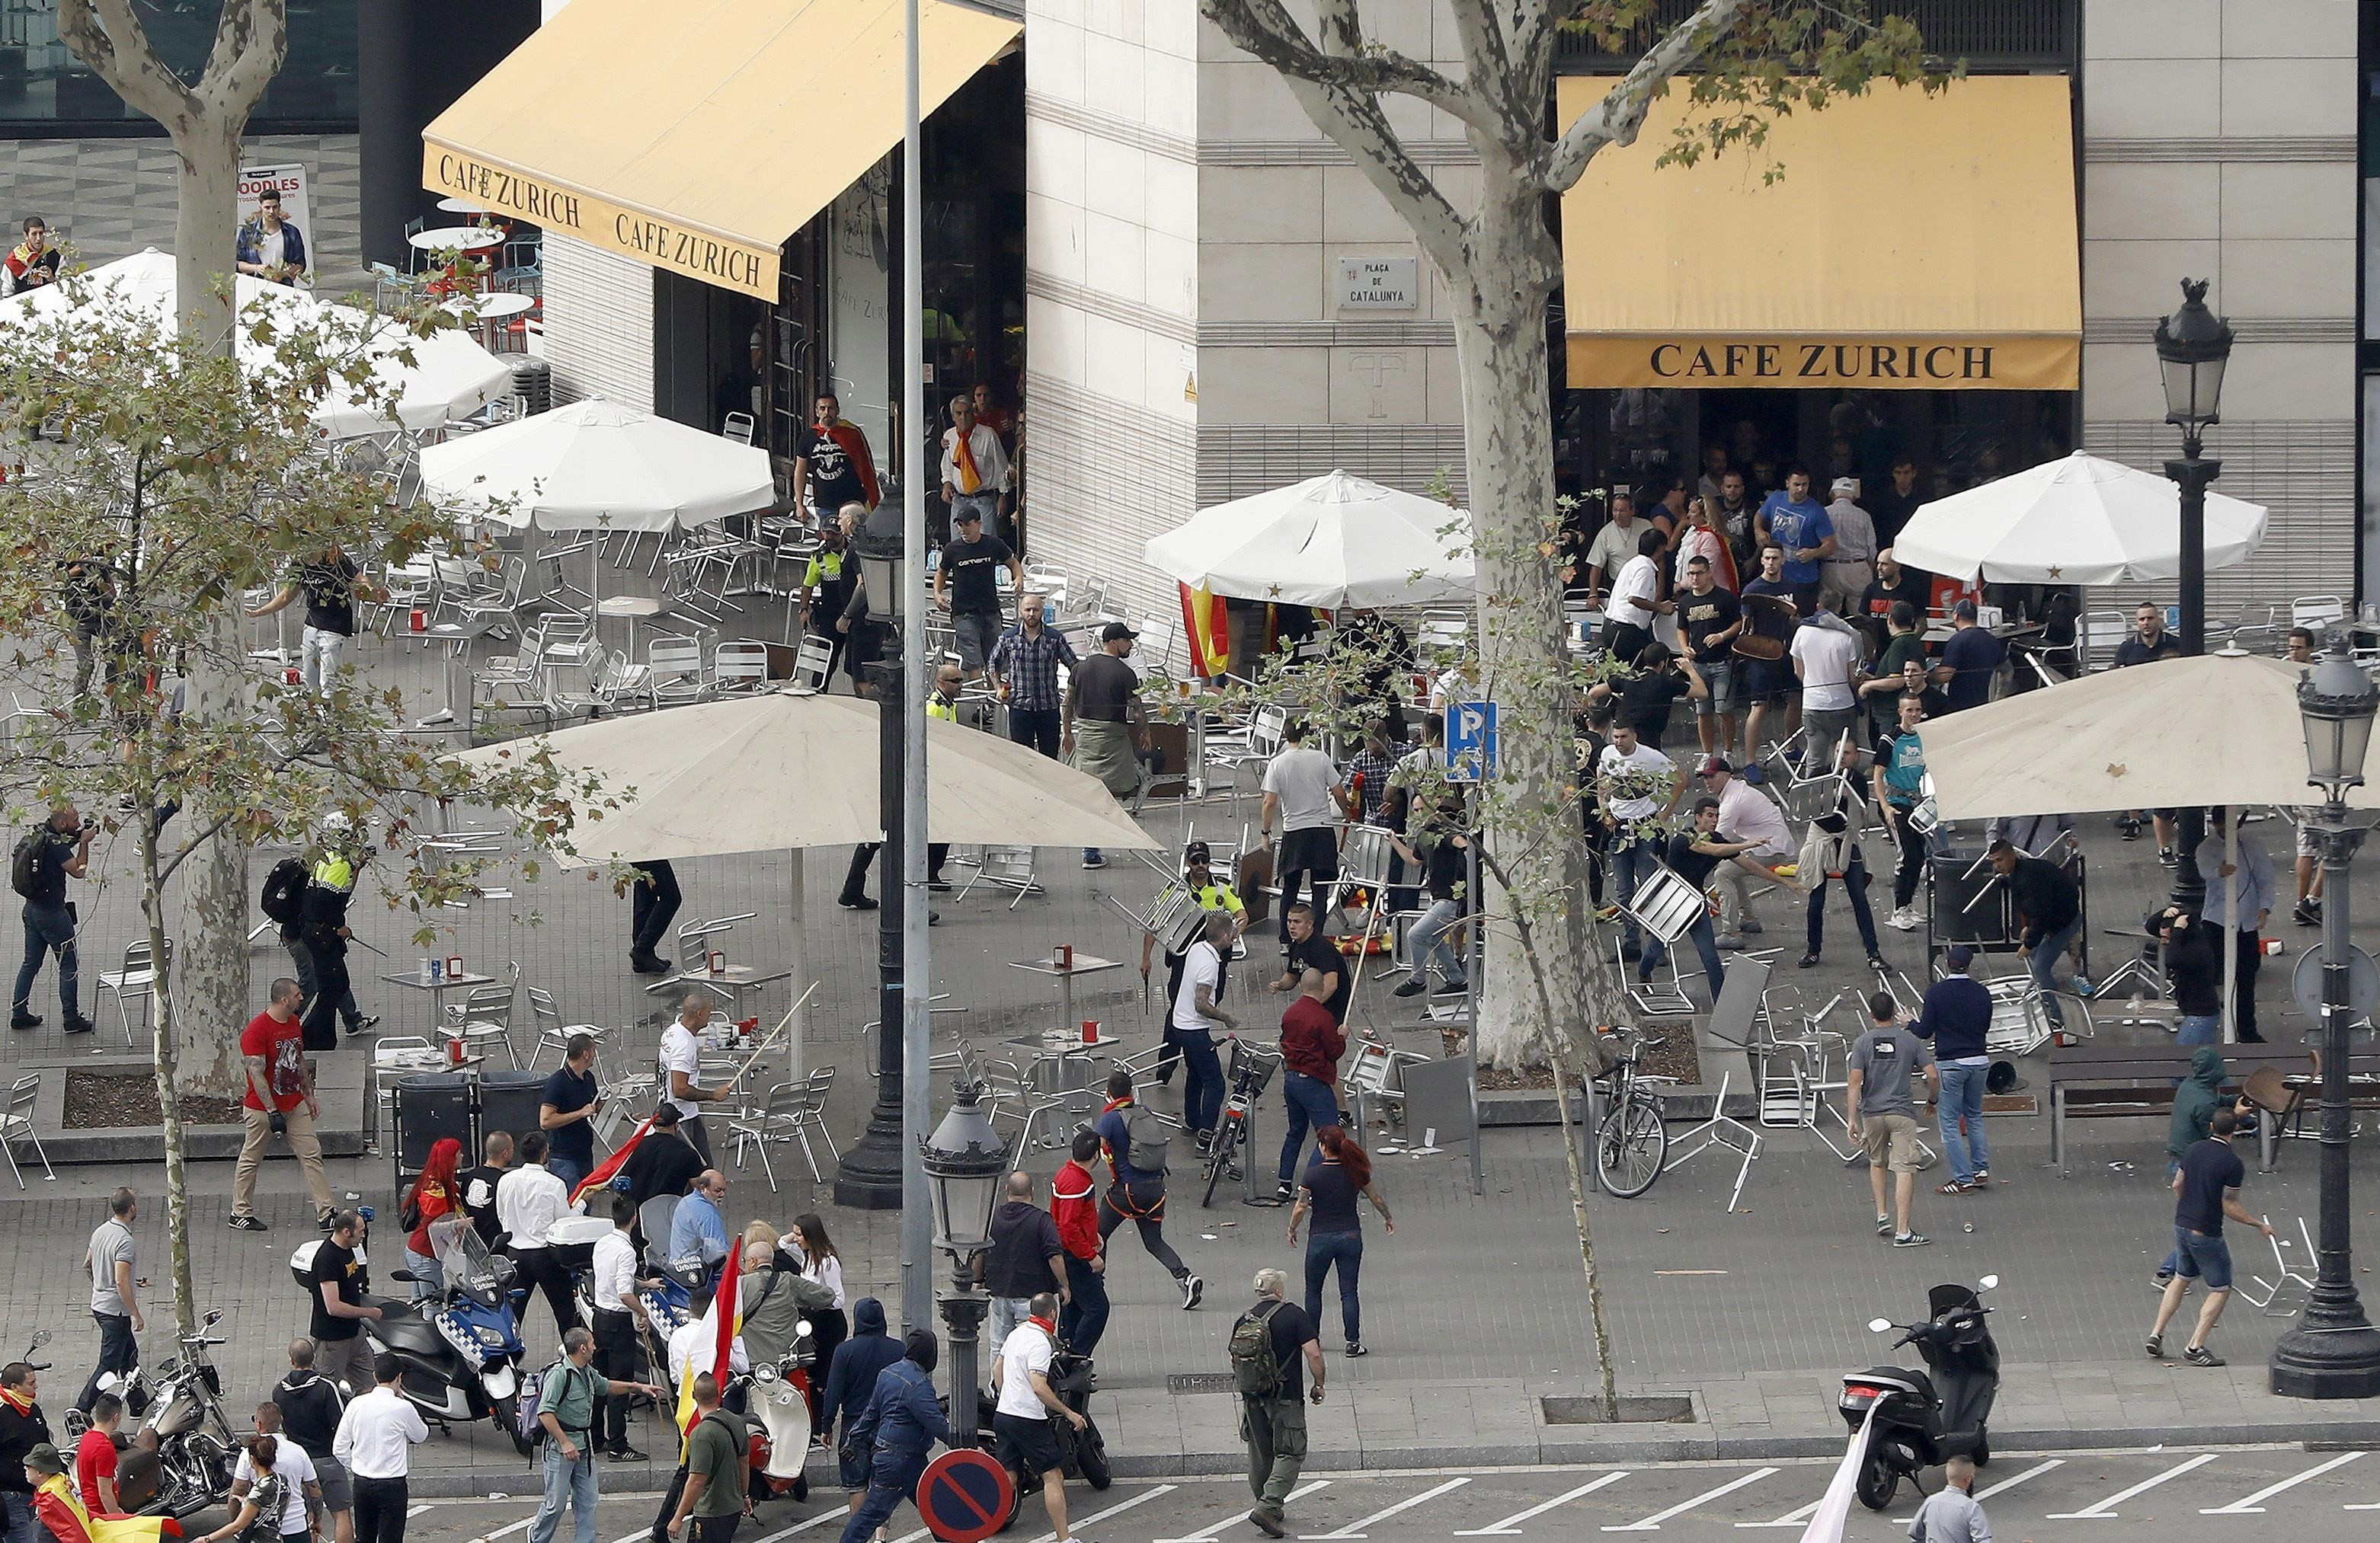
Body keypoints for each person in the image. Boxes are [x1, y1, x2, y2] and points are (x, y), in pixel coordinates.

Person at [2145, 1109, 2276, 1366]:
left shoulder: (2193, 1150)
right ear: (2234, 1131)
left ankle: (2156, 1334)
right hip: (2206, 1231)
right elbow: (2230, 1205)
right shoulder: (2232, 1163)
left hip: (2181, 1225)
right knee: (2220, 1288)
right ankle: (2195, 1346)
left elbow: (2177, 1185)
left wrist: (2189, 1207)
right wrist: (2258, 1224)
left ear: (2212, 1126)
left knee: (2181, 1279)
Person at [533, 1330, 660, 1543]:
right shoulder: (559, 1375)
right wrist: (565, 1442)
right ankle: (537, 1538)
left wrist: (638, 1387)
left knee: (588, 1502)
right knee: (556, 1505)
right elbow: (545, 1413)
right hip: (560, 1451)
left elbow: (606, 1386)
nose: (595, 1346)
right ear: (582, 1348)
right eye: (592, 1343)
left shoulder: (587, 1371)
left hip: (584, 1447)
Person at [1093, 1069, 1203, 1308]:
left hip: (1127, 1191)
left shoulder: (1110, 1118)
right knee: (1154, 1241)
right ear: (1131, 1091)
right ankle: (1185, 1278)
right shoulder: (1144, 1112)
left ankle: (1095, 1287)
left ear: (1108, 1093)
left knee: (1098, 1235)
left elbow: (1097, 1147)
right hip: (1155, 1190)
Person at [230, 979, 333, 1231]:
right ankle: (239, 1211)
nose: (301, 998)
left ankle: (327, 1211)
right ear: (284, 999)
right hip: (262, 1108)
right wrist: (272, 1111)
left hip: (294, 1102)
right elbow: (256, 1073)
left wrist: (308, 1094)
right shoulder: (257, 1030)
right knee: (251, 1158)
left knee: (312, 1153)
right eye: (297, 995)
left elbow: (298, 1059)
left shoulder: (294, 1023)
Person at [1139, 842, 1246, 1084]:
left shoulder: (1222, 888)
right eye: (1195, 861)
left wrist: (1235, 932)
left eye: (1204, 861)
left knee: (1204, 1009)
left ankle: (1194, 1057)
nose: (1200, 866)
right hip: (1183, 959)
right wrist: (1146, 958)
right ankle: (1167, 1062)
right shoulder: (1177, 890)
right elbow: (1154, 925)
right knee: (1178, 1011)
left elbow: (1242, 915)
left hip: (1214, 961)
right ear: (1188, 862)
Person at [1231, 1267, 1324, 1538]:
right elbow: (1314, 1354)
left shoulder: (1244, 1320)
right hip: (1285, 1397)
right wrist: (1319, 1384)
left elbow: (1234, 1359)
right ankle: (1268, 1506)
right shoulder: (1295, 1315)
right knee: (1292, 1452)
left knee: (1260, 1453)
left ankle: (1266, 1502)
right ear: (1280, 1291)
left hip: (1252, 1397)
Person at [989, 1292, 1087, 1543]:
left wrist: (1005, 1397)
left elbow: (997, 1369)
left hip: (1004, 1415)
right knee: (1053, 1476)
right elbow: (1039, 1386)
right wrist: (1069, 1412)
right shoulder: (1040, 1343)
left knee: (1008, 1478)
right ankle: (1064, 1539)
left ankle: (979, 1532)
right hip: (1028, 1419)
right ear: (1053, 1314)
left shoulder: (1016, 1334)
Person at [1284, 1128, 1391, 1357]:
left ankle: (1312, 1339)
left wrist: (1292, 1229)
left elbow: (1301, 1206)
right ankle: (1352, 1342)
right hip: (1350, 1237)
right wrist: (1387, 1217)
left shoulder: (1312, 1175)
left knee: (1313, 1290)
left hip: (1320, 1239)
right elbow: (1376, 1197)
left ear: (1323, 1147)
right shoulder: (1356, 1171)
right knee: (1349, 1291)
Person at [835, 1331, 949, 1543]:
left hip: (901, 1457)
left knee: (937, 1508)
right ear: (929, 1354)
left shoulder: (888, 1373)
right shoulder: (919, 1384)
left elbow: (871, 1413)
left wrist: (854, 1438)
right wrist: (965, 1444)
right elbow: (936, 1424)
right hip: (901, 1461)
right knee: (871, 1516)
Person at [1847, 993, 1939, 1248]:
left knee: (1877, 1162)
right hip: (1902, 1113)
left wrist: (1852, 1119)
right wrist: (1932, 1101)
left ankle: (1882, 1214)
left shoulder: (1863, 1042)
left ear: (1871, 1015)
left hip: (1872, 1113)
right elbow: (1932, 1075)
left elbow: (1855, 1082)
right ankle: (1903, 1231)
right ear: (1893, 1013)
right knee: (1904, 1168)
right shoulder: (1910, 1040)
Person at [1063, 620, 1148, 869]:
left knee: (1091, 791)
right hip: (1112, 737)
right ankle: (1093, 847)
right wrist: (1146, 732)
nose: (1130, 644)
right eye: (1127, 640)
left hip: (1087, 736)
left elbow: (1068, 702)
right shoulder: (1125, 673)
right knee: (1109, 792)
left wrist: (1067, 731)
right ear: (1113, 642)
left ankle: (1093, 844)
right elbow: (1138, 710)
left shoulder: (1080, 668)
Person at [1652, 799, 1760, 994]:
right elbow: (1715, 850)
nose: (1715, 820)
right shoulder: (1685, 838)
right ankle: (1644, 973)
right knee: (1654, 949)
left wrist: (1786, 882)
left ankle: (1721, 1005)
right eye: (1710, 816)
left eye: (1717, 816)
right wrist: (1747, 844)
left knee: (1710, 957)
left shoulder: (1717, 838)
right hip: (1671, 901)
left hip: (1695, 901)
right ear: (1698, 817)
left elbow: (1748, 865)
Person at [1597, 720, 1682, 960]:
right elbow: (1601, 775)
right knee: (1624, 892)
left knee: (1649, 888)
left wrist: (1663, 814)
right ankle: (1631, 944)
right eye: (1615, 737)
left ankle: (1657, 946)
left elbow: (1680, 780)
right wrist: (1604, 809)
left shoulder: (1652, 757)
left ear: (1634, 736)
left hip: (1645, 828)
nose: (1618, 742)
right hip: (1618, 828)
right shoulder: (1608, 754)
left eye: (1623, 737)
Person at [1800, 738, 1886, 974]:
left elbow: (1856, 813)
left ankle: (1874, 953)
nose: (1843, 757)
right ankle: (1813, 949)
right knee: (1816, 898)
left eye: (1847, 753)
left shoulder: (1857, 779)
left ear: (1856, 756)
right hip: (1821, 836)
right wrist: (1826, 795)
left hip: (1845, 836)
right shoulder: (1820, 773)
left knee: (1859, 897)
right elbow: (1807, 807)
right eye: (1839, 752)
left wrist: (1845, 795)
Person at [817, 1298, 903, 1532]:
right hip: (888, 1425)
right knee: (882, 1486)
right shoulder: (898, 1349)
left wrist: (826, 1426)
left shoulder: (844, 1352)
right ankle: (880, 1537)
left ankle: (860, 1534)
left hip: (854, 1426)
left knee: (857, 1486)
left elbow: (833, 1392)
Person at [1259, 720, 1346, 949]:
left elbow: (1269, 802)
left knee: (1290, 888)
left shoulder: (1277, 764)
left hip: (1294, 831)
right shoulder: (1320, 758)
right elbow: (1338, 791)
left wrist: (1265, 832)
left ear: (1286, 737)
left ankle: (1286, 941)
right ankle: (1314, 938)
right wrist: (1348, 812)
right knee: (1320, 888)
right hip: (1322, 828)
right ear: (1307, 734)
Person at [1915, 945, 1992, 1194]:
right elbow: (1985, 1026)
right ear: (1969, 965)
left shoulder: (1936, 993)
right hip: (1979, 1061)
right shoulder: (1982, 993)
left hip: (1951, 1063)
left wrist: (1909, 1023)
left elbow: (1925, 1031)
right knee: (1974, 1115)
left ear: (1948, 964)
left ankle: (1962, 1178)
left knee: (1949, 1122)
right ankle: (1980, 1170)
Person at [11, 803, 94, 1034]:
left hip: (31, 910)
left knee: (30, 963)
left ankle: (19, 1013)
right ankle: (71, 1018)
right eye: (75, 821)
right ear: (63, 823)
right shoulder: (57, 846)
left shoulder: (40, 834)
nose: (78, 824)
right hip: (53, 915)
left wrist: (78, 837)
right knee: (68, 965)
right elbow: (79, 871)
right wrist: (85, 843)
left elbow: (63, 845)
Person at [246, 545, 375, 695]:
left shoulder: (337, 560)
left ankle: (329, 714)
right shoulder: (299, 565)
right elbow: (286, 596)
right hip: (312, 625)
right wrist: (260, 612)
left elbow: (360, 579)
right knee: (309, 681)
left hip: (335, 626)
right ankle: (315, 713)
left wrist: (371, 590)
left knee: (329, 682)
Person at [1697, 756, 1796, 947]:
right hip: (1770, 843)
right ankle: (1748, 919)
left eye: (1711, 776)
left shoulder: (1732, 802)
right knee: (1731, 867)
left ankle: (1731, 932)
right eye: (1705, 777)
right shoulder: (1735, 791)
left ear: (1726, 776)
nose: (1707, 781)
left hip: (1770, 847)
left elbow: (1715, 840)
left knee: (1723, 874)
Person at [2110, 602, 2183, 856]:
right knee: (2129, 767)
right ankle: (2133, 817)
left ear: (2159, 620)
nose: (2146, 623)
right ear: (2136, 622)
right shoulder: (2128, 648)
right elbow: (2116, 680)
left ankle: (2171, 812)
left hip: (2171, 714)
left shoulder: (2175, 645)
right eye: (2142, 619)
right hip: (2137, 715)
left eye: (2150, 618)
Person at [587, 1194, 654, 1462]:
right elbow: (624, 1293)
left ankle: (596, 1437)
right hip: (618, 1322)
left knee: (599, 1382)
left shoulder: (603, 1243)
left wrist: (646, 1284)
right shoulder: (627, 1251)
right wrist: (643, 1311)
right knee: (621, 1385)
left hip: (598, 1318)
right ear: (634, 1219)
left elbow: (610, 1277)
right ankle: (618, 1444)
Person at [1270, 968, 1348, 1200]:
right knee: (1328, 1134)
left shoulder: (1290, 1013)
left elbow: (1284, 1043)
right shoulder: (1323, 1018)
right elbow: (1334, 1051)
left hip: (1291, 1081)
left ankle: (1284, 1184)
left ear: (1302, 987)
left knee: (1295, 1132)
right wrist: (1342, 1035)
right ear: (1321, 989)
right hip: (1314, 1083)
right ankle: (1310, 1183)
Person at [2196, 806, 2272, 1043]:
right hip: (2217, 920)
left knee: (2247, 975)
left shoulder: (2252, 846)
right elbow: (2205, 870)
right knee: (2210, 974)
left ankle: (2248, 1030)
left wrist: (2265, 906)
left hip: (2246, 921)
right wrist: (2219, 871)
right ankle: (2204, 1027)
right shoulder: (2207, 848)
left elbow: (2265, 878)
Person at [980, 1176, 1067, 1382]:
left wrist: (977, 1279)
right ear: (1033, 1191)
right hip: (1032, 1299)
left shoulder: (992, 1218)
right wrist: (1064, 1284)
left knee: (999, 1346)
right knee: (1031, 1345)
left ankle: (998, 1389)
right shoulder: (1041, 1220)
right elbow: (1054, 1255)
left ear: (1006, 1189)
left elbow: (979, 1251)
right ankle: (1027, 1385)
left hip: (1000, 1294)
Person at [1989, 840, 2082, 1028]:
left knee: (2040, 967)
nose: (1997, 866)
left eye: (2000, 860)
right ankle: (2045, 994)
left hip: (2064, 922)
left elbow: (2040, 913)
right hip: (2059, 918)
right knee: (2038, 961)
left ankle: (2059, 1015)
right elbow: (2036, 909)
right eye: (1993, 862)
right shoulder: (2021, 873)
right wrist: (2030, 929)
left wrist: (2029, 942)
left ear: (2012, 856)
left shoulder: (2026, 878)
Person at [332, 1357, 424, 1543]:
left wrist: (356, 1465)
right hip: (392, 1484)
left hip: (362, 1483)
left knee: (365, 1537)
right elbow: (420, 1435)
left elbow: (339, 1448)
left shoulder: (356, 1405)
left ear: (375, 1376)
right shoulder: (403, 1408)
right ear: (399, 1378)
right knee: (391, 1538)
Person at [499, 1132, 580, 1338]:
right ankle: (574, 1359)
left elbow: (501, 1214)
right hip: (546, 1257)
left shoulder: (506, 1181)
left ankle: (506, 1361)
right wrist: (582, 1205)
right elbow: (564, 1222)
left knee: (512, 1316)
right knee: (565, 1313)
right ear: (545, 1154)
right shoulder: (554, 1184)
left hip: (514, 1254)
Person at [296, 821, 367, 1050]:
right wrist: (339, 927)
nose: (358, 842)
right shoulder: (340, 864)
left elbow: (340, 894)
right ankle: (309, 1037)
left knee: (333, 986)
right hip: (323, 934)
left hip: (312, 931)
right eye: (354, 837)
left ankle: (321, 1038)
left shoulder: (326, 858)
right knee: (332, 987)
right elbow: (328, 901)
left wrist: (356, 868)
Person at [1173, 911, 1240, 1153]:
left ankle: (1192, 1122)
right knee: (1215, 1083)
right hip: (1194, 1030)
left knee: (1196, 1074)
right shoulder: (1210, 964)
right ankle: (1206, 1135)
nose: (1233, 937)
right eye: (1231, 933)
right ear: (1223, 936)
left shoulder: (1198, 948)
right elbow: (1200, 1004)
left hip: (1179, 1024)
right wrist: (1226, 1018)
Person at [931, 507, 1019, 688]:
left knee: (995, 657)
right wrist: (937, 594)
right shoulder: (952, 549)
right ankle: (980, 702)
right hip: (964, 612)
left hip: (990, 610)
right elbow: (941, 573)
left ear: (979, 523)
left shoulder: (993, 544)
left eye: (968, 525)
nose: (964, 529)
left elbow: (1012, 562)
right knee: (973, 658)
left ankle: (994, 694)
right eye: (960, 525)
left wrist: (1018, 578)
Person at [1390, 812, 1473, 1000]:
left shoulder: (1442, 832)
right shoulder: (1423, 836)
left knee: (1416, 935)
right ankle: (1457, 980)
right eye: (1415, 811)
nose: (1417, 814)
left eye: (1421, 810)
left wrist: (1467, 848)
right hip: (1436, 899)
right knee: (1432, 938)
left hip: (1449, 901)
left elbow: (1458, 841)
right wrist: (1394, 841)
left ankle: (1418, 979)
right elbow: (1414, 861)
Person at [273, 1342, 349, 1543]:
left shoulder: (279, 1392)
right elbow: (341, 1425)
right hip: (328, 1459)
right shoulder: (325, 1388)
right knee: (341, 1514)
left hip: (298, 1461)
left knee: (306, 1517)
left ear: (291, 1360)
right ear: (313, 1359)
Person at [76, 1187, 140, 1415]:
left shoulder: (100, 1231)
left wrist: (100, 1284)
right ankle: (82, 1408)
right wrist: (135, 1313)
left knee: (129, 1356)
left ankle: (138, 1401)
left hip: (99, 1304)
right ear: (132, 1207)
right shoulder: (124, 1240)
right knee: (109, 1363)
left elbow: (87, 1264)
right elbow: (121, 1281)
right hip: (116, 1311)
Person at [662, 1373, 747, 1543]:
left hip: (712, 1511)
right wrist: (744, 1496)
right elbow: (744, 1462)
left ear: (693, 1396)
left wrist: (678, 1518)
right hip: (733, 1508)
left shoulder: (701, 1434)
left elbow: (697, 1481)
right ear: (718, 1393)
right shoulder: (736, 1421)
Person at [1875, 693, 1934, 932]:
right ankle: (1899, 909)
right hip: (1897, 802)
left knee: (1919, 857)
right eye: (1910, 710)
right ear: (1900, 712)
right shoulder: (1890, 739)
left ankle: (1908, 906)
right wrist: (1885, 807)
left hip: (1919, 802)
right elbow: (1878, 774)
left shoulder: (1925, 737)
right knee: (1907, 855)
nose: (1914, 715)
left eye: (1918, 710)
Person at [1737, 544, 1801, 762]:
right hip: (1760, 655)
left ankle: (1790, 747)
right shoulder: (1753, 589)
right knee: (1758, 706)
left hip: (1786, 652)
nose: (1771, 562)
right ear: (1762, 561)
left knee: (1796, 698)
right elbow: (1746, 625)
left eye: (1775, 558)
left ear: (1783, 560)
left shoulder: (1792, 586)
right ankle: (1750, 761)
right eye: (1767, 558)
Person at [1788, 593, 1863, 775]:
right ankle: (1843, 796)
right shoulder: (1847, 637)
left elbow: (1799, 672)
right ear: (1839, 608)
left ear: (1818, 606)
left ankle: (1810, 799)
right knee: (1844, 758)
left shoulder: (1802, 632)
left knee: (1814, 760)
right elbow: (1852, 678)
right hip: (1842, 705)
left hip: (1812, 705)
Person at [226, 1404, 324, 1543]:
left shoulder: (250, 1453)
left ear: (258, 1423)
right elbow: (315, 1490)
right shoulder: (298, 1451)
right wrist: (317, 1520)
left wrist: (236, 1524)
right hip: (296, 1526)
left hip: (263, 1531)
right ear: (281, 1421)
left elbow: (238, 1491)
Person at [1049, 1132, 1109, 1355]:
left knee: (1073, 1308)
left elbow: (1073, 1220)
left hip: (1068, 1253)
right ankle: (1077, 1356)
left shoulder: (1065, 1174)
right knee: (1098, 1309)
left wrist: (1093, 1236)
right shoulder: (1078, 1183)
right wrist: (1090, 1255)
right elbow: (1069, 1227)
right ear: (1096, 1155)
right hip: (1075, 1257)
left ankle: (1066, 1350)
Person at [1678, 555, 1743, 757]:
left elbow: (1739, 623)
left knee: (1724, 709)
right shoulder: (1685, 601)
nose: (1694, 578)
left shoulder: (1724, 597)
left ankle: (1728, 752)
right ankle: (1707, 754)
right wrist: (1684, 648)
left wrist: (1722, 636)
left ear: (1708, 573)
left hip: (1722, 661)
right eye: (1691, 574)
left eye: (1699, 573)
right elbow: (1681, 628)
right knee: (1702, 711)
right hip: (1698, 664)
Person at [308, 1212, 379, 1393]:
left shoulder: (348, 1249)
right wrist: (367, 1312)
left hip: (354, 1334)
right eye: (361, 1231)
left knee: (370, 1387)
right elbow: (333, 1307)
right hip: (332, 1340)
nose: (364, 1235)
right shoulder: (327, 1259)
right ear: (347, 1232)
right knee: (327, 1389)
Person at [1590, 642, 1706, 751]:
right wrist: (1690, 670)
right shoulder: (1668, 682)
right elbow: (1702, 693)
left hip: (1625, 734)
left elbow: (1594, 692)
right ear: (1663, 663)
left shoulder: (1629, 677)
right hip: (1651, 739)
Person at [658, 995, 731, 1162]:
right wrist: (713, 1095)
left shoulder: (672, 1031)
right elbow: (680, 1089)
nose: (710, 1015)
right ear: (699, 1014)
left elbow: (659, 1065)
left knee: (704, 1167)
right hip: (681, 1118)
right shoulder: (684, 1045)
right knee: (692, 1170)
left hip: (685, 1112)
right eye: (708, 1012)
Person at [787, 1213, 849, 1409]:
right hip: (813, 1322)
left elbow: (838, 1299)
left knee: (822, 1374)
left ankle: (824, 1415)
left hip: (828, 1324)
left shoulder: (827, 1263)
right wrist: (794, 1235)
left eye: (799, 1235)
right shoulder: (806, 1256)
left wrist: (816, 1302)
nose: (795, 1239)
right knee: (811, 1370)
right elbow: (782, 1243)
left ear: (811, 1235)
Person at [1756, 467, 1834, 614]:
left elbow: (1831, 545)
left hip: (1803, 578)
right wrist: (1759, 531)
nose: (1800, 489)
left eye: (1804, 485)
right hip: (1776, 573)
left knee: (1800, 618)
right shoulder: (1776, 499)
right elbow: (1759, 516)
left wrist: (1814, 553)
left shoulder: (1817, 511)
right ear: (1787, 483)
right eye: (1796, 484)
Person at [790, 393, 880, 519]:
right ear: (817, 412)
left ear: (837, 411)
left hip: (851, 502)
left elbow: (866, 467)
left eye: (831, 408)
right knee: (829, 538)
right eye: (822, 409)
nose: (827, 412)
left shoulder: (851, 434)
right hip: (824, 504)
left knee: (853, 538)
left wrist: (872, 499)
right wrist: (799, 504)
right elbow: (800, 471)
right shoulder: (808, 437)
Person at [197, 1434, 295, 1543]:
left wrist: (207, 1538)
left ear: (252, 1459)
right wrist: (247, 1502)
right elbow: (273, 1504)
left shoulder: (259, 1490)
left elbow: (237, 1526)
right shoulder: (281, 1479)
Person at [539, 1035, 602, 1192]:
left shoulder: (588, 1078)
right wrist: (580, 1113)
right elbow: (545, 1121)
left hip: (585, 1153)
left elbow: (595, 1106)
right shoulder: (557, 1083)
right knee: (571, 1204)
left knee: (585, 1202)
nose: (595, 1054)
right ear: (585, 1054)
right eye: (594, 1050)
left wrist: (626, 1117)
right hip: (564, 1157)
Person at [1858, 600, 1929, 740]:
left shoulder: (1899, 644)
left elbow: (1897, 680)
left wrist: (1868, 685)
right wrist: (1874, 678)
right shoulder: (1915, 641)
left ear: (1890, 620)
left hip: (1889, 713)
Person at [398, 1139, 459, 1300]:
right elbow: (434, 1226)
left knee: (419, 1304)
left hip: (421, 1253)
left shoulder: (437, 1181)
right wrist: (461, 1223)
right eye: (458, 1153)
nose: (462, 1156)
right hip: (426, 1255)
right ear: (450, 1158)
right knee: (434, 1306)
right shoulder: (435, 1188)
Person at [1600, 528, 1670, 664]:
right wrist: (1660, 607)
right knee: (1642, 670)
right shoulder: (1645, 568)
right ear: (1660, 548)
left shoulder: (1633, 563)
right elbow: (1634, 598)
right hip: (1625, 630)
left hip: (1613, 626)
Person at [2156, 907, 2224, 1048]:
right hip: (2200, 1013)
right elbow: (2150, 927)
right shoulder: (2192, 942)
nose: (2165, 943)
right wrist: (2164, 913)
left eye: (2167, 938)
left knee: (2183, 1057)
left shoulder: (2196, 950)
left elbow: (2171, 960)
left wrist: (2177, 933)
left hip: (2200, 1014)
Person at [619, 1104, 704, 1210]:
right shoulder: (688, 1154)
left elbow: (626, 1174)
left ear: (653, 1125)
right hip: (668, 1212)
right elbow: (698, 1186)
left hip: (636, 1211)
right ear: (676, 1125)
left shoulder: (637, 1146)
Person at [0, 1364, 49, 1543]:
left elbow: (45, 1444)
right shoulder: (2, 1416)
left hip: (33, 1493)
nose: (36, 1386)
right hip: (11, 1497)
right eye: (31, 1383)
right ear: (15, 1387)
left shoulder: (32, 1409)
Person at [1857, 551, 1930, 656]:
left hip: (1902, 652)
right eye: (1878, 563)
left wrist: (1906, 644)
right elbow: (1863, 623)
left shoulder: (1911, 590)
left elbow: (1922, 624)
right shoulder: (1871, 589)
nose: (1879, 568)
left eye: (1884, 564)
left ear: (1897, 566)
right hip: (1876, 651)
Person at [1939, 599, 2003, 714]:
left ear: (1956, 616)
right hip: (1982, 705)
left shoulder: (1958, 640)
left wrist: (1926, 677)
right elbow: (2008, 670)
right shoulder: (1991, 640)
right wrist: (1999, 697)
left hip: (1958, 706)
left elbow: (1945, 674)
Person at [666, 1169, 731, 1280]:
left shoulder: (686, 1201)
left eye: (724, 1190)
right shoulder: (708, 1215)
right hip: (697, 1273)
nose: (722, 1195)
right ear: (703, 1188)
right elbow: (718, 1254)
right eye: (718, 1191)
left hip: (677, 1266)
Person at [235, 188, 309, 284]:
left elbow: (300, 264)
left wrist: (283, 274)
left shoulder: (291, 232)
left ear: (279, 207)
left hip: (283, 285)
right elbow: (238, 263)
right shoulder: (248, 232)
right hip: (255, 284)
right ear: (261, 207)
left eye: (275, 207)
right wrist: (257, 268)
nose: (271, 211)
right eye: (267, 208)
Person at [1908, 1455, 1988, 1543]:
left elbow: (1914, 1533)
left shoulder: (1931, 1501)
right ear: (1968, 1478)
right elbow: (1983, 1540)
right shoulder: (1971, 1507)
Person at [1579, 492, 1642, 604]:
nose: (1617, 514)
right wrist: (1593, 593)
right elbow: (1596, 566)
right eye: (1615, 510)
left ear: (1632, 511)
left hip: (1643, 583)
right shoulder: (1605, 533)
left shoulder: (1646, 527)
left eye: (1622, 510)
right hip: (1619, 584)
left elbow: (1659, 560)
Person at [459, 1132, 513, 1249]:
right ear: (505, 1153)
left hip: (472, 1246)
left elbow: (464, 1207)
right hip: (496, 1246)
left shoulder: (469, 1176)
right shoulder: (504, 1181)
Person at [629, 860, 682, 976]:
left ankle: (641, 959)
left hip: (637, 849)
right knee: (671, 898)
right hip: (649, 850)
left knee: (646, 893)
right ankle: (642, 949)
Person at [71, 1395, 120, 1516]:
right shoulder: (104, 1448)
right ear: (116, 1417)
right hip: (101, 1512)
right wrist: (118, 1518)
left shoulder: (87, 1437)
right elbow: (105, 1493)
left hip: (88, 1506)